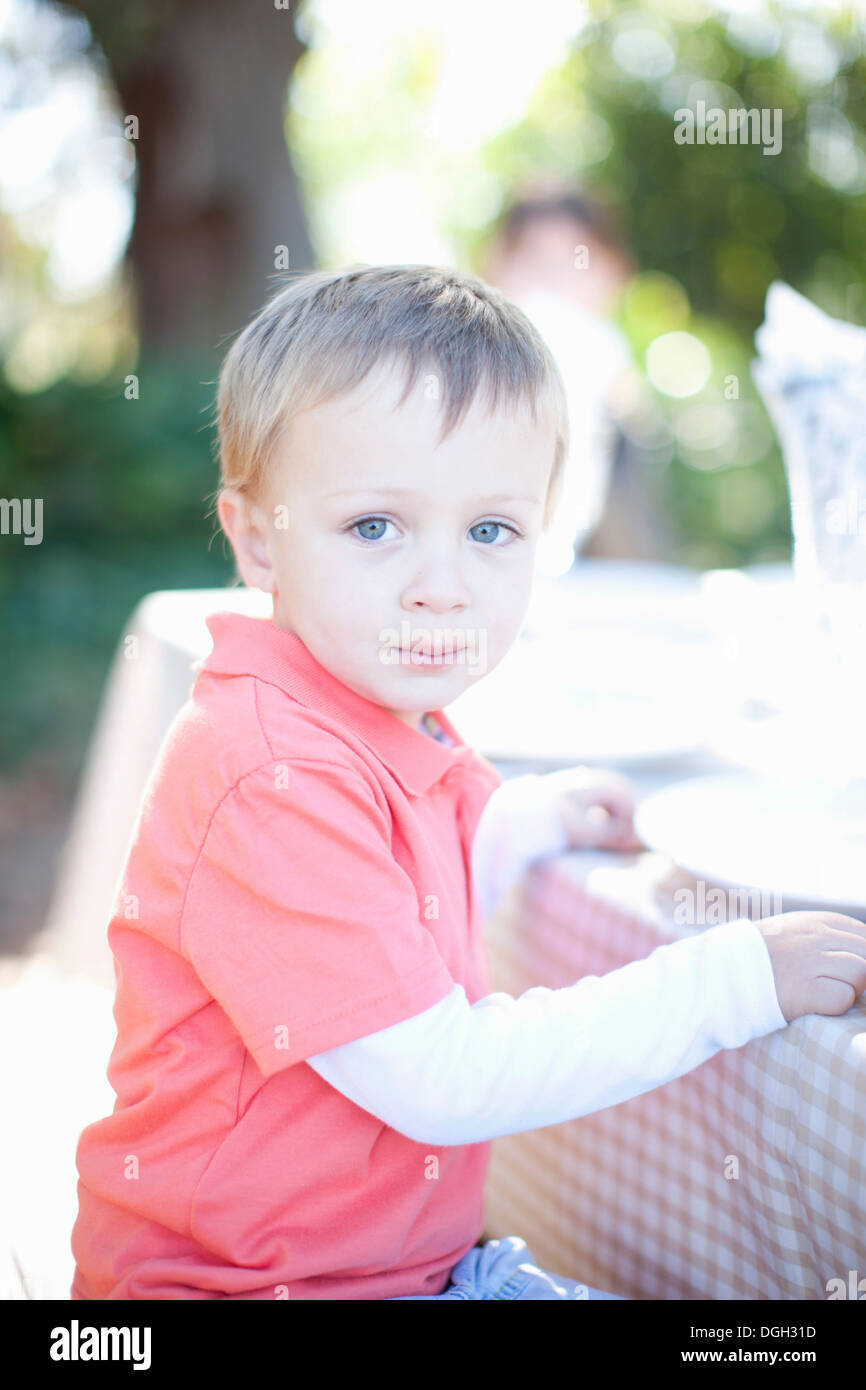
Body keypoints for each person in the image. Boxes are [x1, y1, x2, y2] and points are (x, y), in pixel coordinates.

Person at [69, 265, 866, 1301]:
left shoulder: (361, 699)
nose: (439, 584)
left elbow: (387, 896)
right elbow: (439, 1078)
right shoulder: (273, 771)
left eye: (489, 530)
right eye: (374, 527)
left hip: (392, 1265)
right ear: (256, 537)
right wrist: (731, 980)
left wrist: (521, 824)